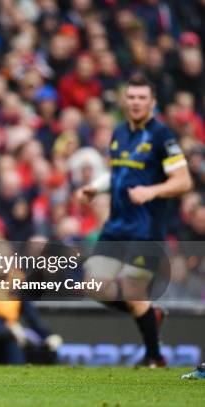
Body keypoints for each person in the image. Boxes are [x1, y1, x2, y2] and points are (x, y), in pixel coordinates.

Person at [75, 74, 193, 367]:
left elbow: (183, 181)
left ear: (152, 102)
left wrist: (151, 190)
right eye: (132, 97)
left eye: (142, 97)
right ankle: (150, 315)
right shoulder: (119, 133)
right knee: (92, 285)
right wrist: (96, 188)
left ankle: (154, 357)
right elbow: (119, 173)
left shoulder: (162, 137)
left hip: (145, 230)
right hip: (115, 228)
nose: (136, 102)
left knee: (132, 291)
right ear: (124, 101)